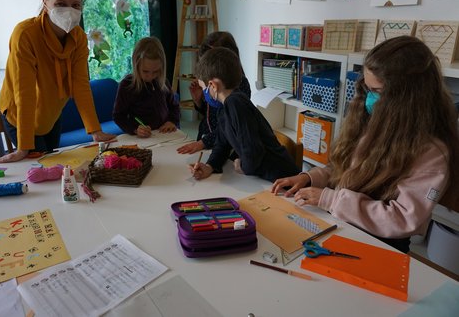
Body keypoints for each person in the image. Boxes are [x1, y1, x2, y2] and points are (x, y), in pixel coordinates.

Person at [272, 36, 459, 253]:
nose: (369, 99)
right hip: (344, 225)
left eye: (378, 92)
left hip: (382, 245)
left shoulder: (431, 153)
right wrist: (310, 178)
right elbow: (346, 167)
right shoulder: (376, 120)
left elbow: (404, 219)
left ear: (408, 99)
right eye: (367, 89)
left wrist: (331, 200)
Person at [0, 0, 115, 163]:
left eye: (76, 5)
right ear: (45, 2)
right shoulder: (25, 34)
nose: (69, 10)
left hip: (51, 114)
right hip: (20, 117)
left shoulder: (79, 38)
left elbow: (81, 85)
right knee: (42, 171)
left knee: (56, 168)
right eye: (60, 4)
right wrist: (23, 146)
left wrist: (95, 130)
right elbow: (23, 93)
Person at [190, 47, 299, 182]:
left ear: (213, 85)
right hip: (263, 177)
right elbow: (222, 144)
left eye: (203, 87)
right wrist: (210, 166)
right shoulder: (225, 109)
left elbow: (253, 152)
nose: (204, 93)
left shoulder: (236, 104)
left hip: (281, 178)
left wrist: (242, 166)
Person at [177, 31, 251, 154]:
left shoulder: (240, 85)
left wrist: (203, 143)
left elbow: (231, 126)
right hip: (206, 138)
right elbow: (210, 114)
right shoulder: (212, 82)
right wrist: (198, 101)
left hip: (227, 146)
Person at [113, 37, 180, 138]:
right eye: (145, 71)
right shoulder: (127, 85)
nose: (151, 76)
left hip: (164, 135)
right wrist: (135, 129)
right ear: (136, 65)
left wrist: (172, 121)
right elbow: (118, 116)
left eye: (156, 71)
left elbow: (174, 106)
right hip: (141, 138)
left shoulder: (163, 82)